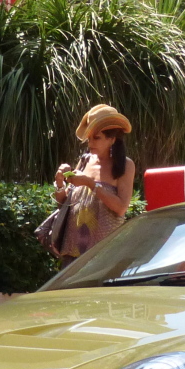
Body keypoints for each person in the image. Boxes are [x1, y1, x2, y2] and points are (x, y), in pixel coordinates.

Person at [52, 105, 137, 268]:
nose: (90, 142)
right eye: (89, 138)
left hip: (104, 256)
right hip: (73, 252)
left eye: (96, 138)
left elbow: (121, 208)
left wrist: (91, 183)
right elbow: (64, 203)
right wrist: (60, 182)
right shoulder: (84, 161)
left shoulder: (125, 165)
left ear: (112, 139)